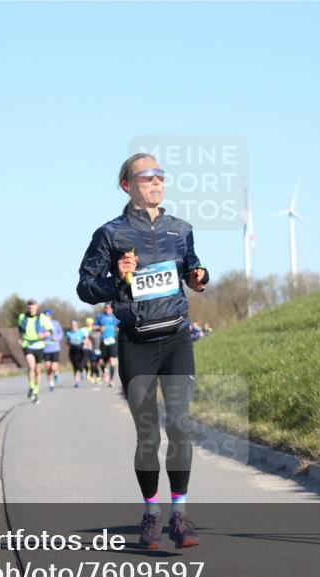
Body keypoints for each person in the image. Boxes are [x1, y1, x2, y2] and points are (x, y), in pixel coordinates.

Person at [77, 152, 209, 550]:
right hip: (136, 342)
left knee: (180, 426)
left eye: (160, 175)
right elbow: (85, 287)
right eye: (147, 176)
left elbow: (192, 268)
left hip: (176, 338)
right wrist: (117, 277)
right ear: (127, 185)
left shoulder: (180, 229)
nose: (157, 181)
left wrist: (199, 277)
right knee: (148, 434)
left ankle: (180, 514)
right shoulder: (109, 234)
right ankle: (151, 515)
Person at [17, 299, 53, 404]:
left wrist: (45, 334)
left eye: (33, 307)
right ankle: (31, 386)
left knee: (37, 370)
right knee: (31, 366)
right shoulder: (22, 317)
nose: (31, 309)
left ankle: (36, 391)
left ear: (36, 307)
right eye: (29, 307)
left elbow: (50, 330)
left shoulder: (42, 317)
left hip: (39, 344)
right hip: (27, 343)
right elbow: (20, 329)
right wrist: (20, 338)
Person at [96, 303, 120, 387]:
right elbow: (94, 327)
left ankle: (111, 380)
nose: (108, 309)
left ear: (112, 308)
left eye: (109, 307)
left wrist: (118, 328)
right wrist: (99, 328)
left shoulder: (115, 317)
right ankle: (104, 372)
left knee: (112, 360)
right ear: (104, 308)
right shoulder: (100, 316)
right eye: (106, 307)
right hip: (104, 341)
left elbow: (121, 325)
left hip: (113, 340)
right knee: (101, 361)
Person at [42, 308, 64, 392]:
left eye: (48, 316)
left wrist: (57, 338)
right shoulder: (41, 324)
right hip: (45, 349)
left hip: (55, 348)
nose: (47, 317)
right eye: (46, 316)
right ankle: (51, 384)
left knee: (53, 367)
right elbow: (38, 334)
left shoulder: (55, 323)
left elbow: (61, 333)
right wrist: (42, 337)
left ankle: (56, 373)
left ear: (51, 316)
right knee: (48, 367)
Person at [65, 319, 88, 387]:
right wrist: (68, 342)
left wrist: (84, 342)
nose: (73, 326)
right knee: (74, 366)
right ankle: (76, 382)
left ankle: (81, 371)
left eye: (74, 325)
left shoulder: (81, 332)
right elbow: (66, 342)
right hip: (72, 350)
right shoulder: (68, 333)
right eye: (72, 325)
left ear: (77, 325)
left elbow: (86, 340)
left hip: (80, 349)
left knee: (80, 365)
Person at [86, 316, 103, 384]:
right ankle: (96, 375)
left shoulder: (102, 333)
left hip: (101, 350)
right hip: (94, 350)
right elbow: (88, 340)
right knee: (94, 364)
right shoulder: (91, 332)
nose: (96, 327)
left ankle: (103, 373)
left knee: (101, 363)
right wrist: (88, 343)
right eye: (95, 326)